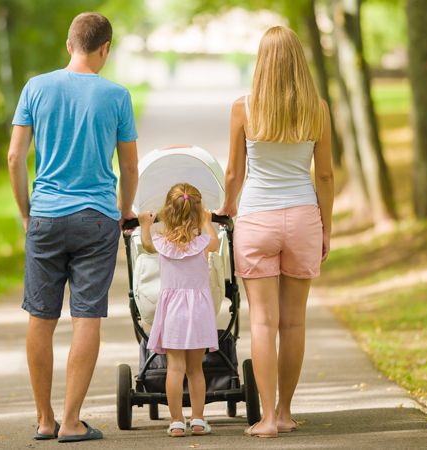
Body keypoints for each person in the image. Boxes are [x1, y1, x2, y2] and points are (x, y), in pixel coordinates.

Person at [6, 11, 139, 443]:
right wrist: (124, 210)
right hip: (97, 218)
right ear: (105, 49)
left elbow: (15, 157)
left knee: (40, 317)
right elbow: (129, 165)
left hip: (45, 215)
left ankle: (44, 420)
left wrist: (26, 212)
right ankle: (71, 421)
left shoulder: (35, 88)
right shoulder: (117, 96)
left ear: (69, 44)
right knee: (86, 318)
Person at [215, 25, 335, 438]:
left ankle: (266, 419)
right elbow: (325, 175)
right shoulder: (317, 109)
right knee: (294, 323)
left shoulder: (244, 108)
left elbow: (234, 172)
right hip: (303, 219)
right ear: (299, 61)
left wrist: (227, 206)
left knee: (264, 323)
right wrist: (326, 227)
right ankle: (284, 412)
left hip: (257, 219)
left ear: (262, 62)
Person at [138, 183, 220, 438]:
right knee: (196, 369)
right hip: (198, 312)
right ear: (197, 212)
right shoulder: (202, 242)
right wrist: (207, 222)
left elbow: (146, 244)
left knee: (175, 368)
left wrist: (145, 224)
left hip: (173, 312)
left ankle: (176, 422)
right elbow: (216, 243)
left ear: (168, 212)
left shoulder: (162, 243)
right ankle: (198, 420)